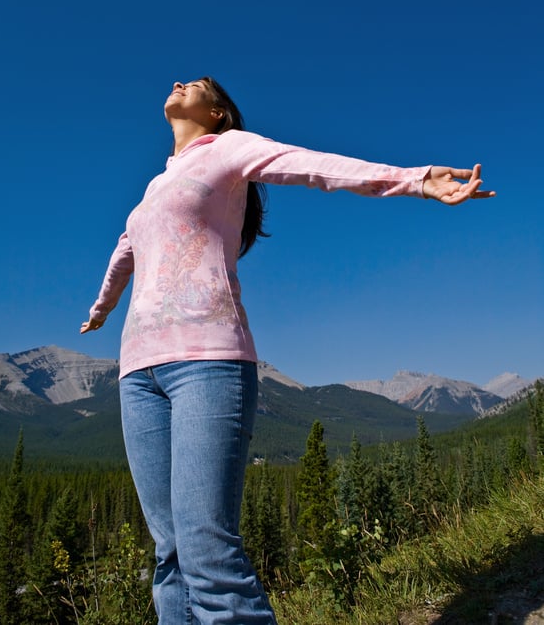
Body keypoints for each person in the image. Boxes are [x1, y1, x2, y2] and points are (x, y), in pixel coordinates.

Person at [81, 76, 494, 624]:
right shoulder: (155, 188)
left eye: (198, 84)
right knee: (170, 554)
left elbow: (313, 165)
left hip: (207, 362)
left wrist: (417, 180)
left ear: (219, 113)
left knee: (207, 550)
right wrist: (103, 308)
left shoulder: (228, 149)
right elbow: (124, 251)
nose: (180, 83)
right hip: (137, 374)